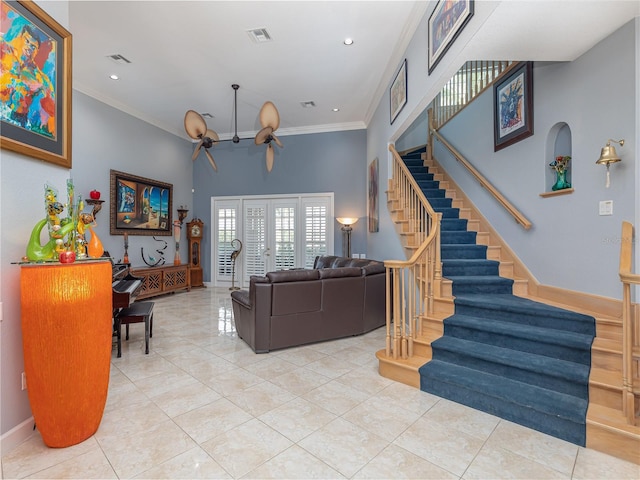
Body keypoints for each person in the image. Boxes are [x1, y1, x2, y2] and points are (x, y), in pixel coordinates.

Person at [1, 22, 56, 136]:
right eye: (27, 41)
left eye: (33, 47)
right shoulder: (7, 52)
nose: (29, 48)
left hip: (19, 121)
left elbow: (52, 105)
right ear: (21, 38)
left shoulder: (39, 77)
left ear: (37, 51)